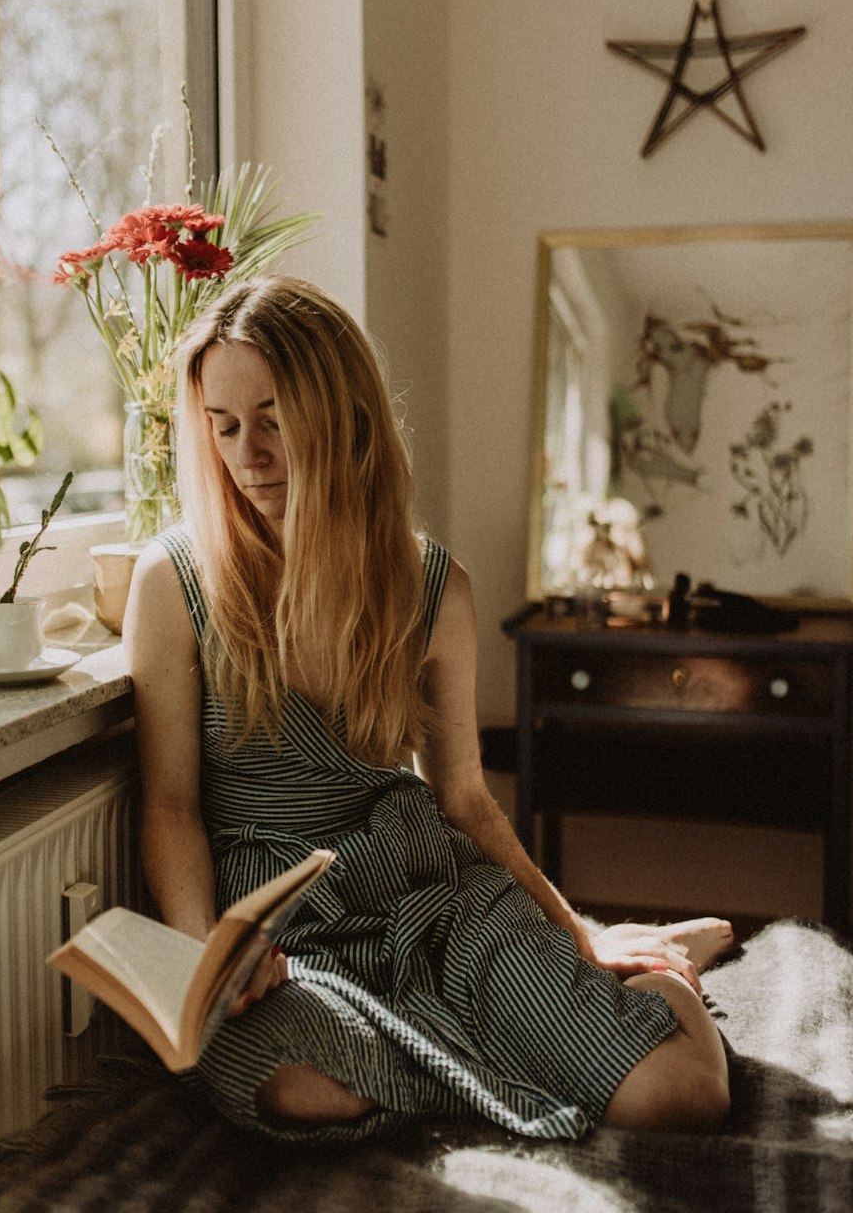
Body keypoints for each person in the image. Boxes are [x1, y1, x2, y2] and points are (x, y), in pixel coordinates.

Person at [124, 273, 732, 1142]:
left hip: (433, 896)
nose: (248, 454)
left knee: (677, 1100)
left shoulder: (433, 589)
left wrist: (579, 937)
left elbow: (465, 799)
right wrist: (205, 958)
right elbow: (172, 808)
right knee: (306, 1093)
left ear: (341, 416)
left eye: (274, 419)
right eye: (223, 427)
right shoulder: (172, 583)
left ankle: (663, 976)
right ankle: (503, 1052)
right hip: (285, 938)